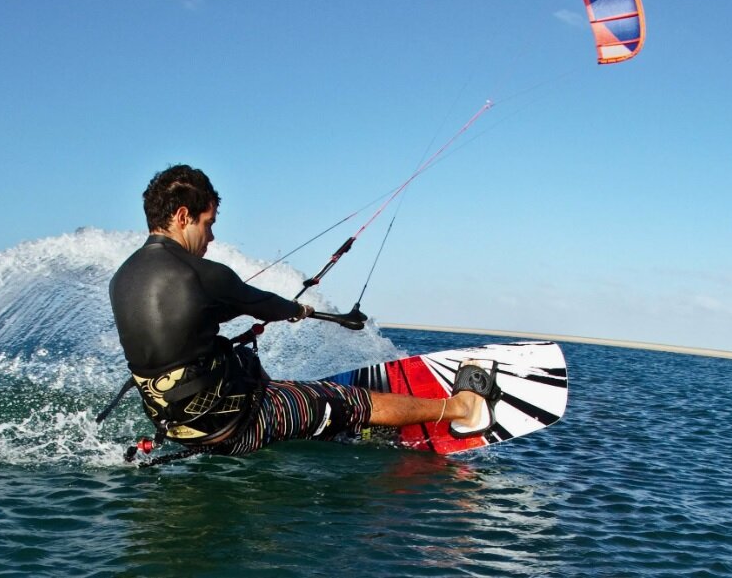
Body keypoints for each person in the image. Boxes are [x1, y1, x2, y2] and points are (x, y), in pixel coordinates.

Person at [108, 164, 500, 457]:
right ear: (181, 217)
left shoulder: (122, 279)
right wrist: (298, 309)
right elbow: (265, 304)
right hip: (234, 428)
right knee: (346, 399)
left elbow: (183, 329)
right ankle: (462, 408)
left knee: (251, 368)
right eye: (208, 223)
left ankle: (317, 420)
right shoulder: (201, 273)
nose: (211, 236)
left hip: (177, 428)